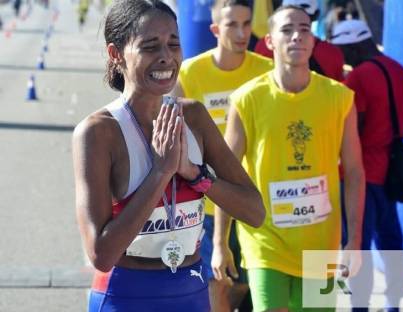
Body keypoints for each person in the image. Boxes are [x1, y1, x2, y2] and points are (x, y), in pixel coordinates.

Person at [72, 1, 265, 311]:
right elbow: (101, 255)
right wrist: (161, 172)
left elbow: (255, 212)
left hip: (191, 292)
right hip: (125, 295)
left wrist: (197, 177)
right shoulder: (97, 132)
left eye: (173, 44)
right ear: (115, 54)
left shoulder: (194, 117)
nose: (166, 56)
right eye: (150, 46)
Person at [212, 5, 365, 311]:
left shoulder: (339, 98)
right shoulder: (247, 99)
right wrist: (219, 243)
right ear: (269, 41)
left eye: (305, 29)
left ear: (313, 40)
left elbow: (354, 171)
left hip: (320, 244)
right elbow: (226, 176)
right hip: (265, 241)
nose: (297, 36)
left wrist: (354, 240)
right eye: (286, 30)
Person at [171, 1, 272, 311]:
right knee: (216, 286)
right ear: (215, 29)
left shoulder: (266, 72)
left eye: (246, 24)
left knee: (248, 288)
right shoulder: (190, 73)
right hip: (208, 204)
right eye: (232, 25)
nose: (242, 33)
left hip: (255, 199)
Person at [331, 19, 403, 312]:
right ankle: (393, 305)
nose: (343, 58)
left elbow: (355, 129)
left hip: (360, 175)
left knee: (356, 244)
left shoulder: (358, 79)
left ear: (355, 46)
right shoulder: (402, 72)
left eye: (344, 51)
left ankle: (359, 307)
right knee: (392, 243)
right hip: (389, 174)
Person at [254, 0, 345, 82]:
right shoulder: (331, 52)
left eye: (303, 28)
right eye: (287, 30)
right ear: (316, 14)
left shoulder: (264, 46)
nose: (296, 37)